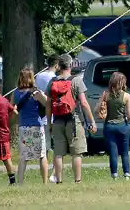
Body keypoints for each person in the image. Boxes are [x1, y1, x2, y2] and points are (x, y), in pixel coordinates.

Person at [48, 53, 97, 184]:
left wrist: (49, 122)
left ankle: (59, 180)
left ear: (59, 65)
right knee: (76, 152)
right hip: (73, 120)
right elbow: (84, 103)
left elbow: (48, 104)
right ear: (71, 65)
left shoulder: (53, 81)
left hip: (57, 120)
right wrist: (91, 121)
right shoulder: (76, 80)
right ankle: (78, 180)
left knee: (58, 153)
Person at [12, 67, 49, 184]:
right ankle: (45, 182)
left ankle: (20, 183)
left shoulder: (16, 93)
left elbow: (12, 109)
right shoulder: (35, 92)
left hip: (24, 128)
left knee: (24, 156)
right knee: (42, 155)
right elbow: (47, 103)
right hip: (36, 127)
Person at [98, 70, 130, 180]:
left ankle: (114, 175)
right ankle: (126, 174)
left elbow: (96, 110)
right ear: (122, 82)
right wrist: (126, 118)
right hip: (123, 125)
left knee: (113, 152)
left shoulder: (105, 95)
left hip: (109, 126)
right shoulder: (126, 96)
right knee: (124, 152)